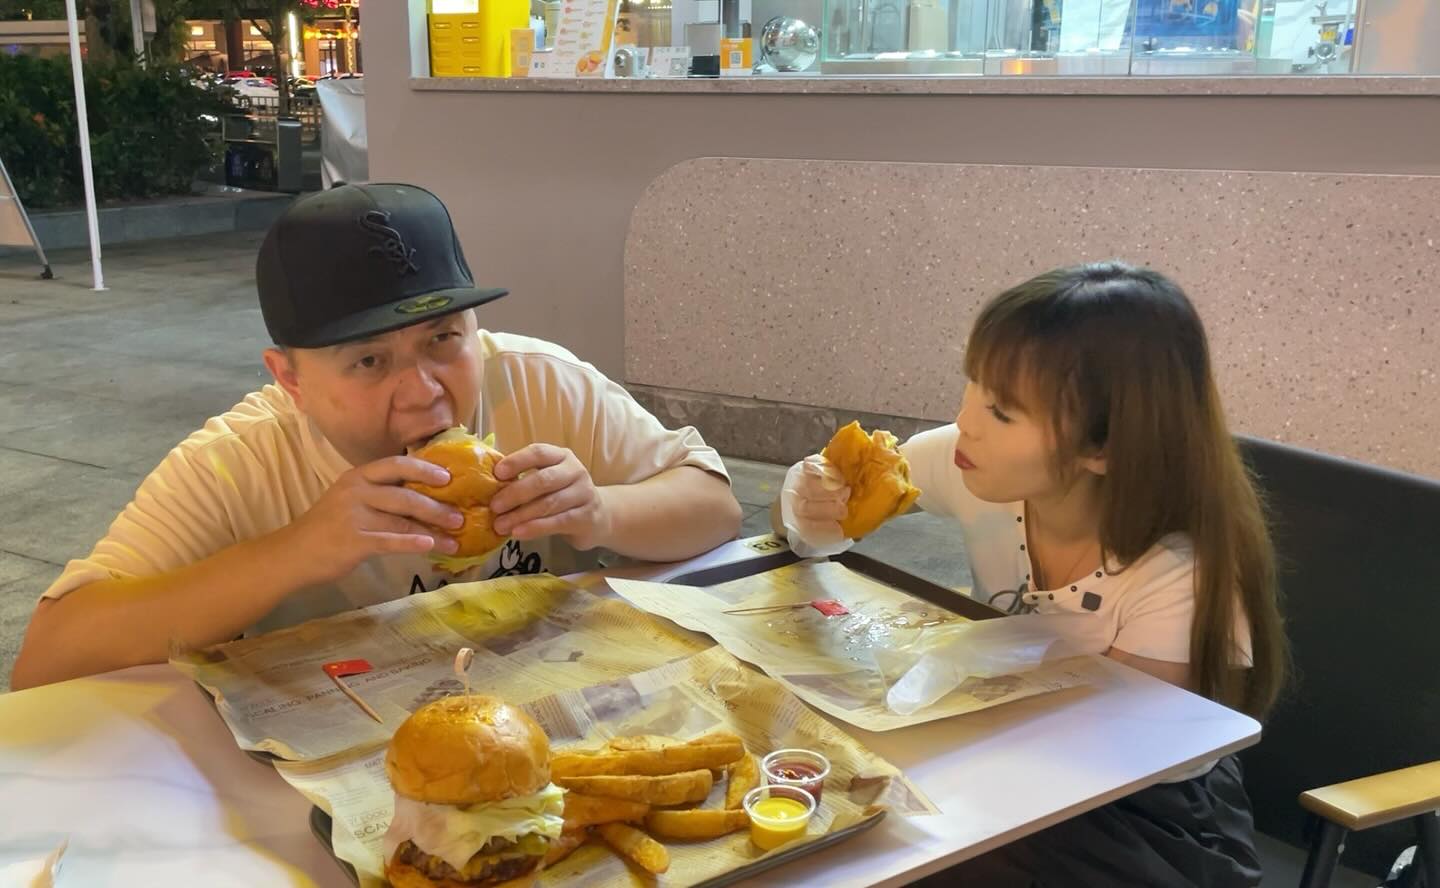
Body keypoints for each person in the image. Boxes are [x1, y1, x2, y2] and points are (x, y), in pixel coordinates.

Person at [12, 184, 741, 690]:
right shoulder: (236, 463)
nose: (422, 389)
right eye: (368, 360)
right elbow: (48, 658)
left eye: (442, 339)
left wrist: (601, 513)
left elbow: (715, 507)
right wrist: (297, 550)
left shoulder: (535, 384)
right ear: (289, 378)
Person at [778, 262, 1287, 887]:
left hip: (1144, 816)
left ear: (1102, 448)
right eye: (972, 385)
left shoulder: (1177, 572)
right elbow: (819, 530)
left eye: (1001, 410)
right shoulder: (974, 467)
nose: (965, 420)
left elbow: (1119, 757)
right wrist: (810, 499)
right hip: (1005, 766)